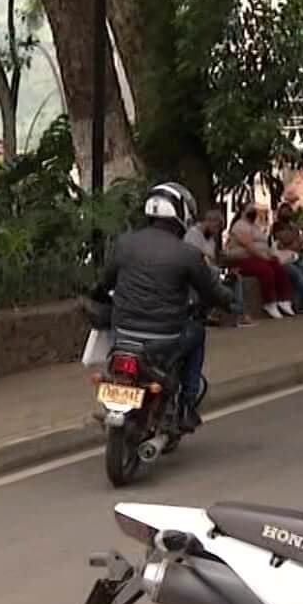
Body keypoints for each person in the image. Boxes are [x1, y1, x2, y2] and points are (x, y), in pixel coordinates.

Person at [92, 183, 239, 429]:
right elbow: (212, 291)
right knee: (198, 334)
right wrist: (228, 300)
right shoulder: (188, 254)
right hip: (164, 336)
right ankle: (186, 406)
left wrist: (102, 298)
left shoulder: (125, 244)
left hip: (124, 332)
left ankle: (116, 404)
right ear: (181, 213)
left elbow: (104, 283)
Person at [227, 204, 298, 319]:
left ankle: (283, 299)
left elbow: (265, 244)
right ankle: (269, 302)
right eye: (250, 209)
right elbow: (249, 246)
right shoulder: (240, 226)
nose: (253, 212)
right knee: (266, 270)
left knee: (278, 267)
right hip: (243, 260)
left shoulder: (255, 227)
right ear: (243, 212)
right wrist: (263, 256)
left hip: (259, 257)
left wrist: (270, 255)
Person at [271, 213, 303, 313]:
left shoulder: (293, 228)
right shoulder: (277, 232)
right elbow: (286, 244)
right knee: (298, 275)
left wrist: (296, 240)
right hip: (283, 262)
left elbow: (299, 245)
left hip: (294, 259)